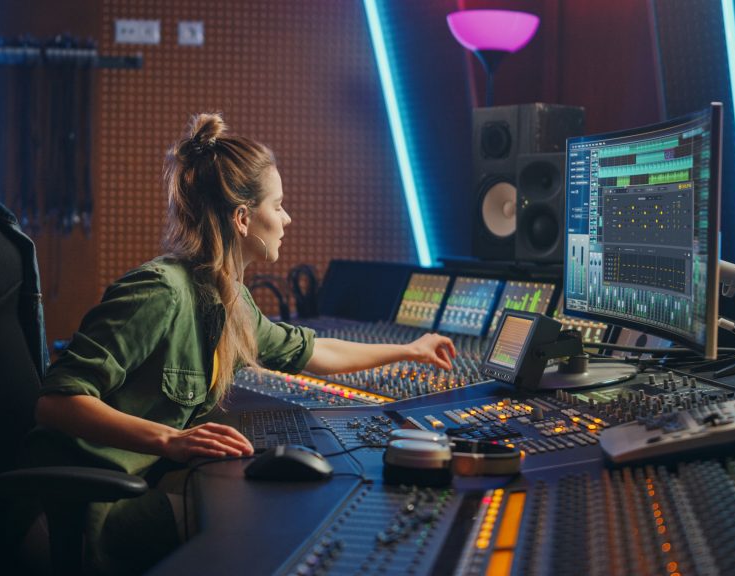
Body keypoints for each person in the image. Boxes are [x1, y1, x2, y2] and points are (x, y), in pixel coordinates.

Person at [30, 112, 456, 575]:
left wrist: (410, 349)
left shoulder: (232, 301)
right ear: (242, 218)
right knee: (252, 532)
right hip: (86, 506)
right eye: (278, 205)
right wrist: (171, 440)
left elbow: (312, 351)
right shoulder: (160, 291)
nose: (286, 218)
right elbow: (57, 402)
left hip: (135, 482)